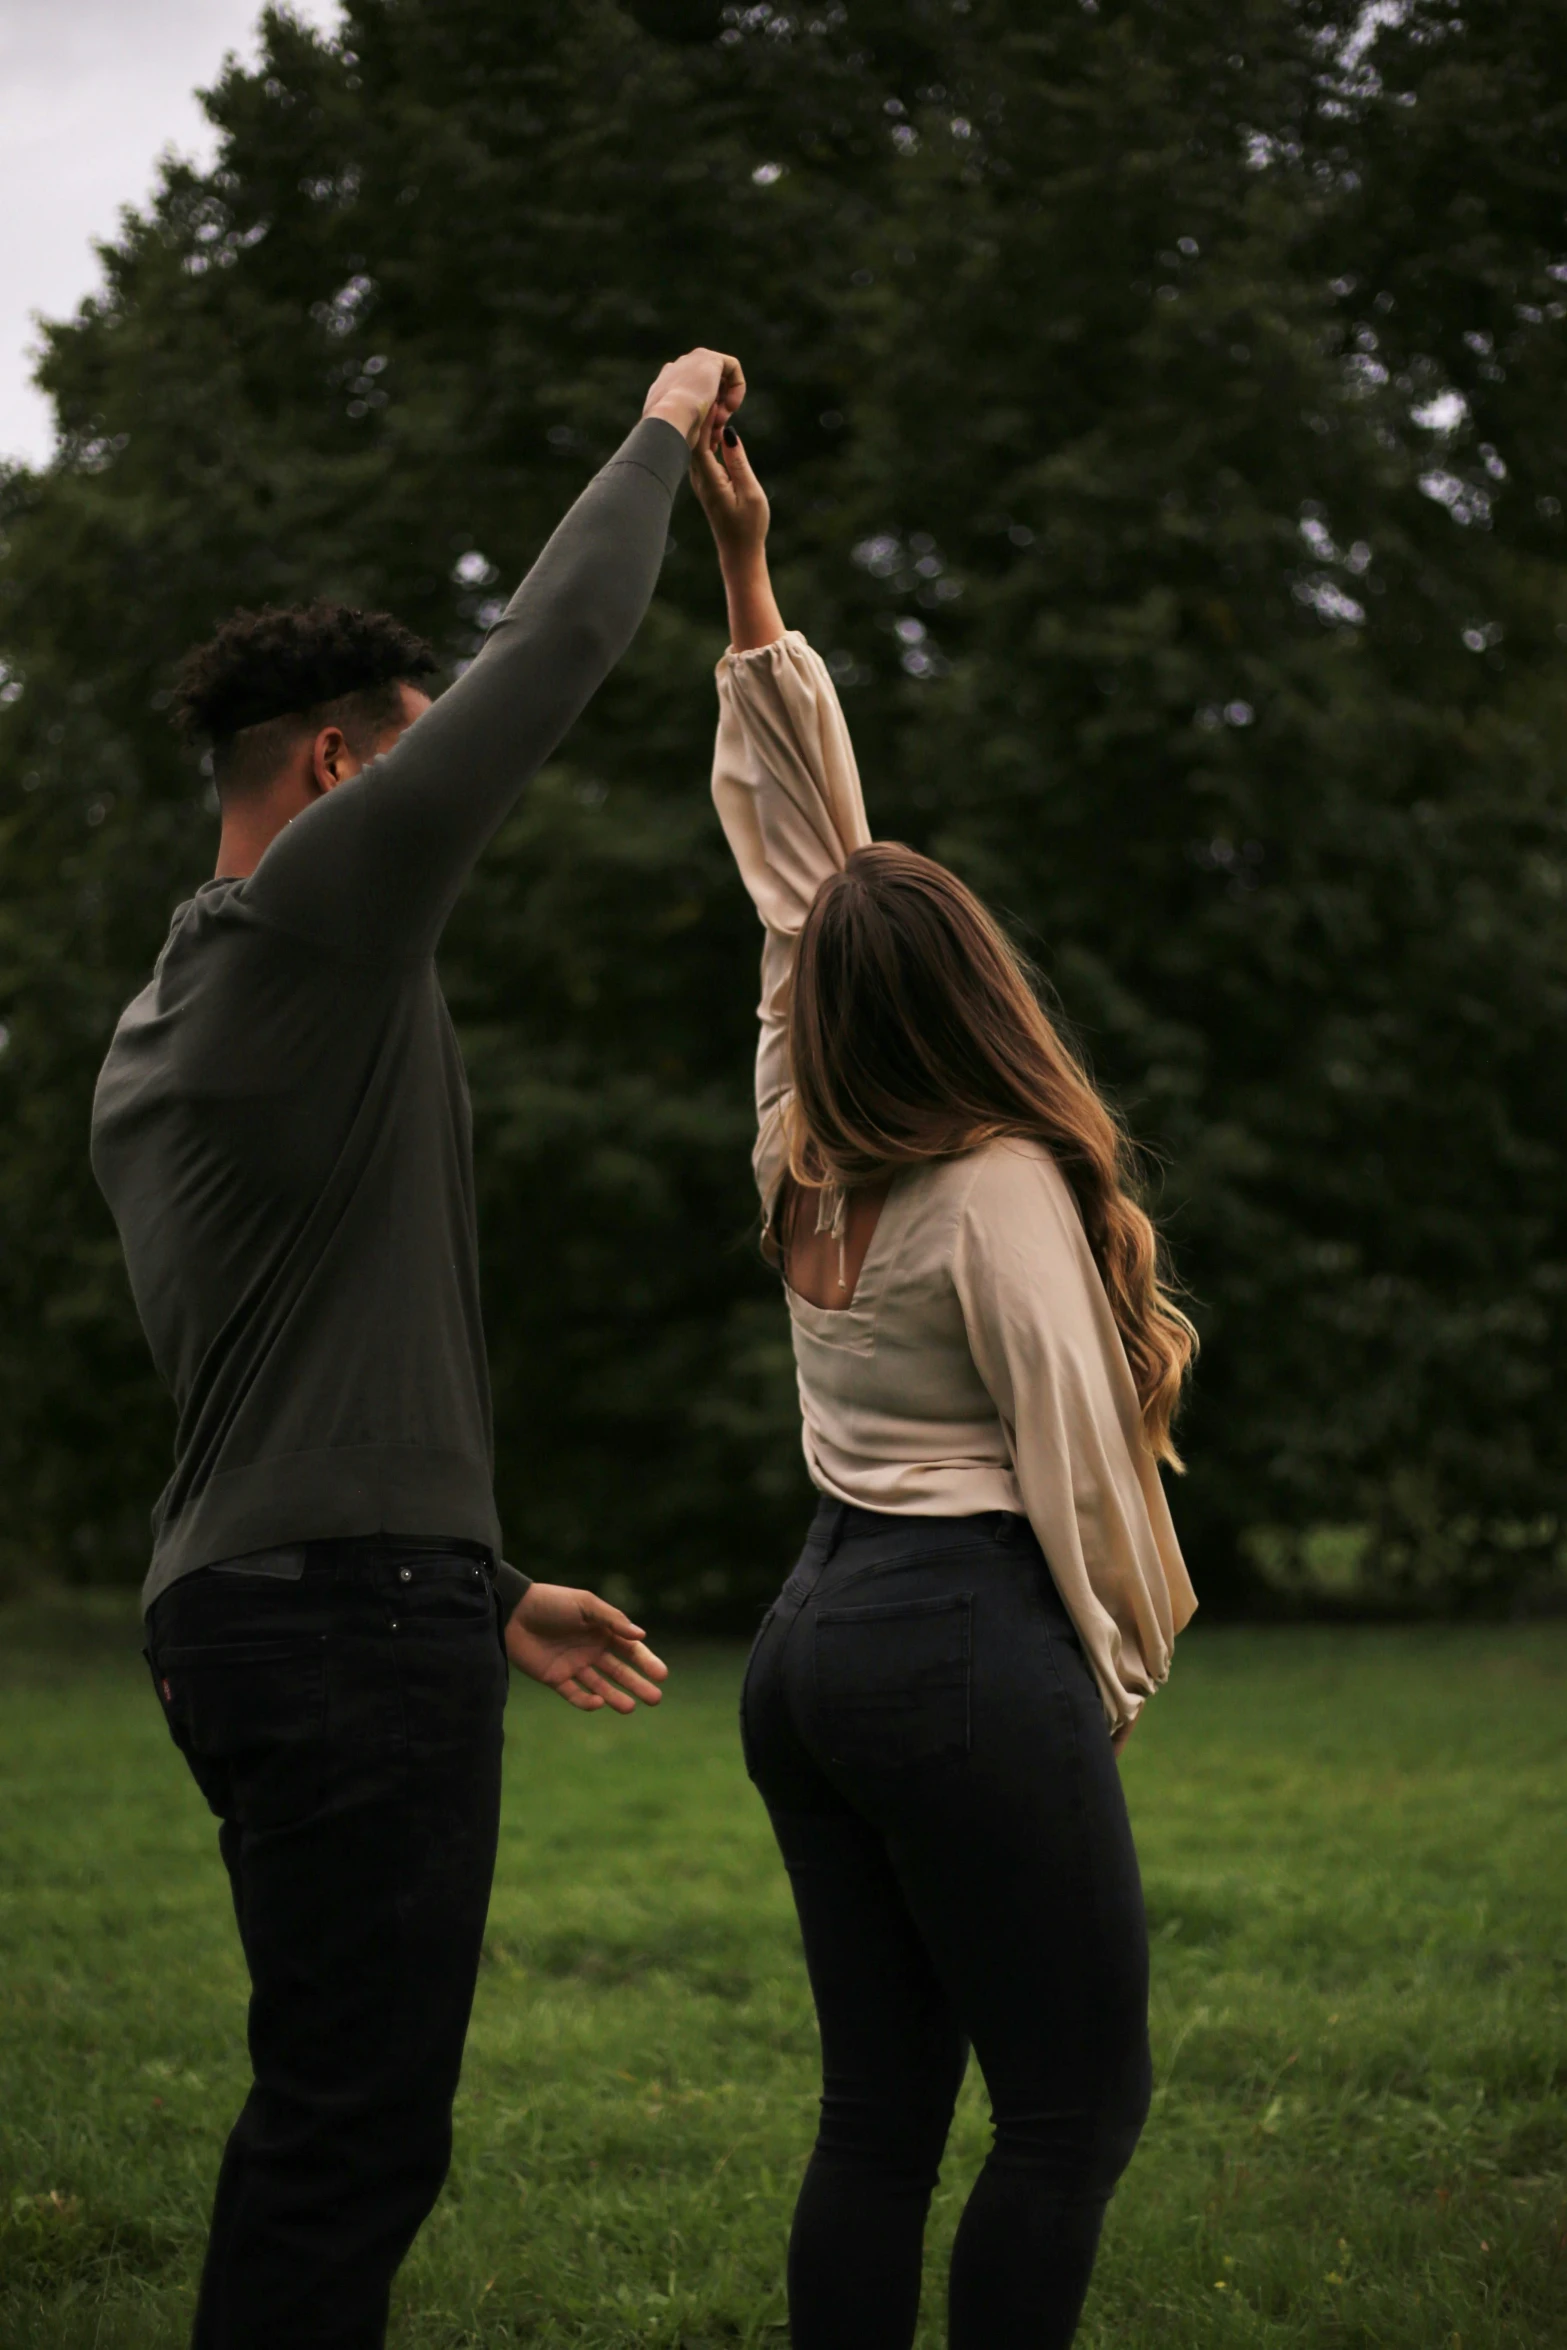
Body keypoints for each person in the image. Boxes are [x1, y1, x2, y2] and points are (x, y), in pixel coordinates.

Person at [89, 346, 742, 2350]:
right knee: (354, 2138)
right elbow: (553, 651)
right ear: (341, 769)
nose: (446, 772)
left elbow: (298, 1374)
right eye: (413, 741)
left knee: (332, 2119)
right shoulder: (315, 924)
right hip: (344, 1626)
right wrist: (661, 431)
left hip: (264, 1609)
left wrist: (481, 1583)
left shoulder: (160, 1029)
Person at [688, 417, 1199, 2349]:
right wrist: (1121, 1671)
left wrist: (748, 583)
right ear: (978, 982)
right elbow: (1082, 1468)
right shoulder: (988, 1187)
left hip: (807, 1645)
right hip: (958, 1643)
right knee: (1072, 2111)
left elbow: (793, 874)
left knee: (881, 2121)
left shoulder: (794, 1128)